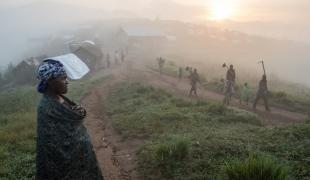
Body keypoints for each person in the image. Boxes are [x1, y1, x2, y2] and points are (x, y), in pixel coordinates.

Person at [35, 60, 103, 180]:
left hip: (83, 157)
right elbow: (51, 146)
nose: (67, 82)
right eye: (63, 78)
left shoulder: (59, 97)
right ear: (50, 81)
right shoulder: (45, 108)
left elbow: (72, 116)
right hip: (65, 166)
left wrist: (79, 110)